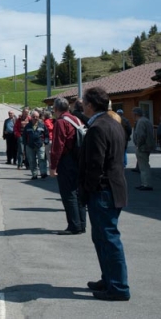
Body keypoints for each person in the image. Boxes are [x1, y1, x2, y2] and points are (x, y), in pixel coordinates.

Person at [78, 86, 130, 301]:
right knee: (101, 237)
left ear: (90, 105)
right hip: (113, 188)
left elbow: (95, 165)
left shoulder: (99, 127)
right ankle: (109, 279)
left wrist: (87, 190)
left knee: (107, 238)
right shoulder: (114, 123)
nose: (81, 106)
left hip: (103, 191)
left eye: (83, 103)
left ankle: (118, 287)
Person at [50, 97, 87, 235]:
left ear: (56, 109)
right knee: (78, 193)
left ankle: (74, 225)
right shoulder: (76, 119)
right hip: (79, 158)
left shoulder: (61, 122)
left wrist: (53, 166)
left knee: (68, 194)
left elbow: (57, 145)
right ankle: (81, 223)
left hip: (67, 160)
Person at [132, 107, 155, 191]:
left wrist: (138, 144)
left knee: (144, 166)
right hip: (147, 146)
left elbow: (141, 135)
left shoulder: (141, 122)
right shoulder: (147, 120)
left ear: (136, 114)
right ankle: (145, 183)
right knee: (145, 165)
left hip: (143, 147)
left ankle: (146, 184)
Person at [22, 110, 49, 179]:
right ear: (31, 117)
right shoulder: (27, 126)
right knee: (31, 160)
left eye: (36, 117)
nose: (35, 118)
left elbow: (46, 135)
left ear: (38, 117)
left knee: (42, 159)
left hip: (40, 145)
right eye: (33, 117)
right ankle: (34, 174)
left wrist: (45, 141)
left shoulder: (42, 125)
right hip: (30, 146)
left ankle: (43, 173)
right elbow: (24, 136)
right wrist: (25, 144)